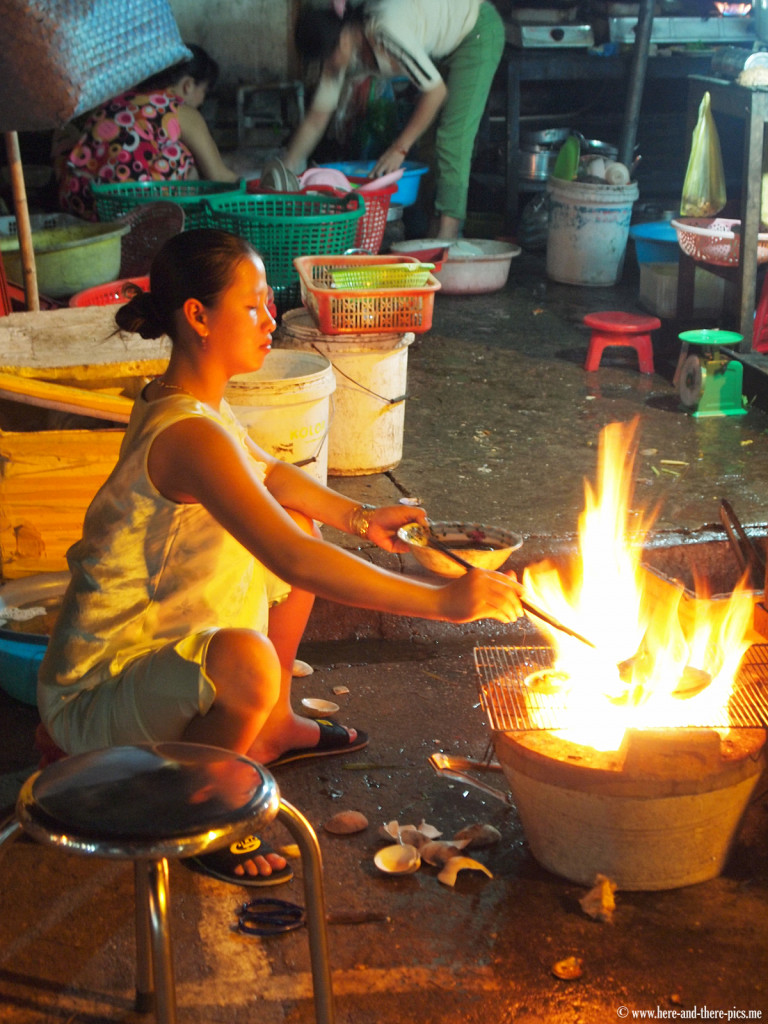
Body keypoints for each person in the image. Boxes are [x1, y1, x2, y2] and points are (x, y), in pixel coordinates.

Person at [36, 228, 523, 885]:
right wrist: (442, 602)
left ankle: (272, 728)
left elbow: (272, 475)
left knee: (298, 519)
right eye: (254, 305)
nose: (271, 319)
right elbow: (294, 561)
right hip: (98, 696)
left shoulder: (190, 403)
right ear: (198, 316)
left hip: (153, 667)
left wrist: (363, 518)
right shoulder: (189, 435)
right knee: (250, 660)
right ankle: (196, 813)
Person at [284, 0, 504, 241]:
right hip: (444, 43)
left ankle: (448, 235)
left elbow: (436, 92)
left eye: (328, 59)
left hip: (475, 32)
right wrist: (286, 171)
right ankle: (434, 230)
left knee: (453, 139)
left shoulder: (385, 30)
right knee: (428, 145)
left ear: (343, 40)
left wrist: (399, 148)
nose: (328, 66)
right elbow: (317, 118)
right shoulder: (340, 50)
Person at [54, 44, 239, 221]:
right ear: (188, 85)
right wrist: (248, 186)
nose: (202, 101)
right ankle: (176, 226)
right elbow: (218, 176)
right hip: (123, 211)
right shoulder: (177, 110)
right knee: (183, 154)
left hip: (76, 200)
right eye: (204, 91)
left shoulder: (118, 100)